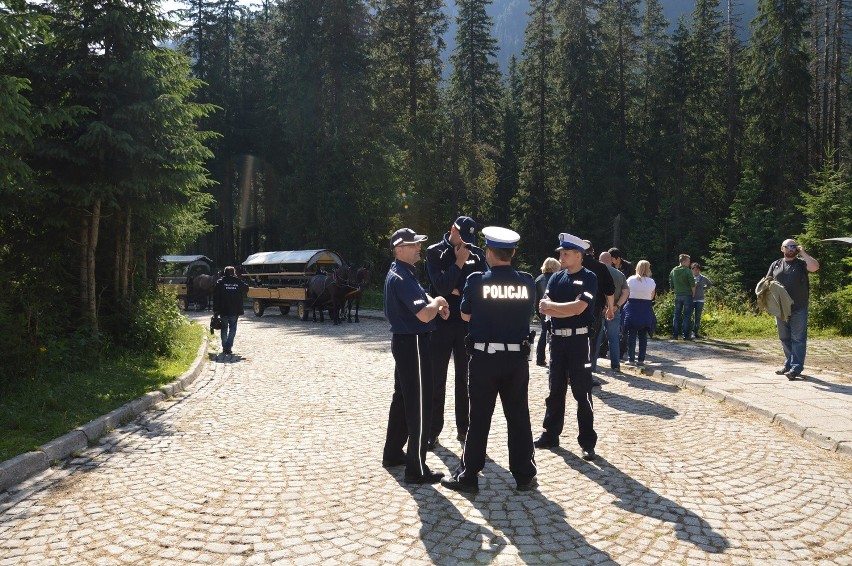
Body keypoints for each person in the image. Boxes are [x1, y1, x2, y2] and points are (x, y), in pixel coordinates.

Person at [441, 227, 538, 493]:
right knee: (518, 416)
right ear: (513, 253)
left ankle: (469, 475)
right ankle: (524, 476)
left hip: (484, 359)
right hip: (516, 359)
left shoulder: (475, 281)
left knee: (479, 418)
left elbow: (465, 316)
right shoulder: (527, 282)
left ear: (488, 252)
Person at [381, 228, 450, 484]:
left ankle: (392, 452)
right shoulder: (403, 276)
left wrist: (435, 302)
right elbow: (423, 314)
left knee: (402, 400)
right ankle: (417, 468)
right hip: (415, 344)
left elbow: (422, 300)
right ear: (399, 249)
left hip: (406, 343)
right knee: (420, 404)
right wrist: (439, 302)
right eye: (413, 245)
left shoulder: (402, 272)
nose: (418, 247)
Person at [534, 233, 599, 461]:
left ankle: (587, 442)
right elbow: (543, 307)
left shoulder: (589, 277)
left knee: (582, 392)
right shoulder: (555, 278)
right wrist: (561, 308)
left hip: (579, 341)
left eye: (566, 253)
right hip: (557, 340)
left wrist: (556, 308)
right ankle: (551, 433)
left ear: (579, 255)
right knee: (555, 390)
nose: (561, 256)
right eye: (560, 253)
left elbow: (579, 308)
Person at [424, 216, 488, 449]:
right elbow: (439, 287)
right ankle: (432, 430)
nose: (467, 244)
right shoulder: (434, 252)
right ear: (453, 230)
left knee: (466, 379)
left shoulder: (478, 254)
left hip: (466, 324)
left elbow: (481, 286)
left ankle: (465, 429)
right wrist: (459, 263)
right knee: (436, 379)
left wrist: (456, 289)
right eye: (463, 236)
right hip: (440, 324)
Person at [766, 239, 819, 379]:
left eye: (794, 246)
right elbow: (768, 282)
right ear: (782, 248)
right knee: (784, 338)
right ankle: (789, 364)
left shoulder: (801, 263)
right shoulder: (776, 264)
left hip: (799, 307)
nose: (791, 248)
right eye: (788, 246)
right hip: (780, 308)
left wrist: (802, 252)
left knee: (798, 338)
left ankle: (796, 368)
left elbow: (815, 267)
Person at [593, 251, 628, 372]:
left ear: (599, 259)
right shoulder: (620, 274)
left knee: (596, 336)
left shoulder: (595, 273)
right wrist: (617, 306)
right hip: (614, 309)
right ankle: (615, 364)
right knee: (613, 337)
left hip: (599, 308)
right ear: (611, 260)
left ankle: (592, 365)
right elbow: (626, 292)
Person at [623, 260, 657, 366]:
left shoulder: (630, 280)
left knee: (631, 334)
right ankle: (641, 359)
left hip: (632, 308)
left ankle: (631, 358)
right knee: (643, 335)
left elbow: (626, 293)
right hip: (645, 308)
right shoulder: (651, 282)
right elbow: (652, 297)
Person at [212, 266, 249, 355]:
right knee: (233, 329)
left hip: (223, 309)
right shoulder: (238, 281)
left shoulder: (220, 282)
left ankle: (225, 348)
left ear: (224, 272)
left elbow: (215, 297)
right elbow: (246, 288)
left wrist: (215, 309)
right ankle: (228, 347)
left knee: (224, 328)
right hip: (235, 310)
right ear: (234, 273)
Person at [534, 257, 561, 366]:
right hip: (555, 308)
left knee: (544, 332)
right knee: (554, 333)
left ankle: (540, 359)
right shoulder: (557, 278)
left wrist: (538, 311)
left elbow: (536, 298)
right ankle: (554, 358)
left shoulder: (538, 279)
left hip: (543, 309)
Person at [608, 248, 634, 360]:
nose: (611, 262)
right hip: (611, 299)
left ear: (618, 259)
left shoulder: (628, 266)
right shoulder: (610, 267)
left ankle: (623, 350)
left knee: (623, 326)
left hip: (624, 299)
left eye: (612, 259)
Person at [669, 254, 696, 340]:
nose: (689, 263)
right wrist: (693, 294)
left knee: (676, 315)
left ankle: (675, 335)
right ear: (684, 262)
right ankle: (685, 335)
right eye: (688, 261)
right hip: (687, 295)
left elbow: (671, 284)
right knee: (687, 315)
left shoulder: (673, 271)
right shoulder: (687, 271)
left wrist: (676, 290)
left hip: (678, 295)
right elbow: (692, 284)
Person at [690, 263, 713, 339]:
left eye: (697, 270)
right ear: (692, 270)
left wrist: (703, 288)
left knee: (698, 317)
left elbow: (710, 284)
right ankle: (688, 332)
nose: (695, 271)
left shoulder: (703, 278)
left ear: (699, 270)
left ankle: (695, 332)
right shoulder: (690, 277)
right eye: (694, 270)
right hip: (691, 299)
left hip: (700, 300)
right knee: (689, 316)